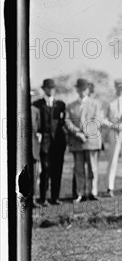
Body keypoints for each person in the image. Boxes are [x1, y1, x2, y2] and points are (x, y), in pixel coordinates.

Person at [65, 78, 104, 202]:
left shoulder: (95, 104)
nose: (82, 91)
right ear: (76, 89)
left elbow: (97, 121)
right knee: (79, 169)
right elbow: (67, 121)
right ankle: (80, 193)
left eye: (84, 89)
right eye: (80, 89)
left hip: (91, 141)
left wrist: (85, 133)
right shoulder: (71, 105)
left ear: (88, 90)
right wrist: (77, 133)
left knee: (92, 169)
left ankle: (92, 192)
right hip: (77, 141)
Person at [33, 78, 67, 206]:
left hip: (58, 143)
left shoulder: (61, 105)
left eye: (52, 88)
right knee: (45, 170)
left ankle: (55, 198)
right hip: (44, 143)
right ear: (44, 89)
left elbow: (64, 123)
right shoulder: (37, 104)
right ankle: (43, 198)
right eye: (48, 88)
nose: (51, 90)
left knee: (57, 171)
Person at [30, 95, 42, 208]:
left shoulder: (35, 110)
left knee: (34, 174)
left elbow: (38, 129)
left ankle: (32, 199)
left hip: (33, 148)